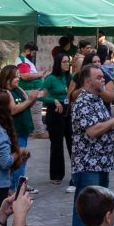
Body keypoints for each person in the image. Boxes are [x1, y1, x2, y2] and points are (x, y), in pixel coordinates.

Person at [69, 65, 114, 226]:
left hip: (101, 162)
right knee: (86, 207)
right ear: (87, 82)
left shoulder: (97, 99)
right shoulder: (83, 102)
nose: (103, 80)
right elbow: (93, 131)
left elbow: (102, 125)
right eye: (99, 77)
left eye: (103, 77)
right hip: (88, 164)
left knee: (98, 206)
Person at [0, 64, 41, 192]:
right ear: (7, 78)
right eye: (16, 77)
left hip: (24, 129)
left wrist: (33, 98)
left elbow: (27, 104)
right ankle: (14, 187)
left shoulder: (19, 89)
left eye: (19, 76)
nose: (18, 79)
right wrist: (29, 100)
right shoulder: (5, 92)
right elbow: (13, 110)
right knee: (18, 158)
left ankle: (21, 183)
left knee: (23, 158)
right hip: (15, 130)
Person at [42, 54, 73, 186]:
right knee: (57, 144)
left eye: (68, 62)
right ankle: (56, 175)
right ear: (58, 63)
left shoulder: (69, 77)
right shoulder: (50, 78)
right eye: (64, 62)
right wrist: (53, 100)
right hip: (54, 113)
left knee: (72, 142)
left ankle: (78, 172)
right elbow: (39, 95)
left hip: (68, 112)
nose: (67, 64)